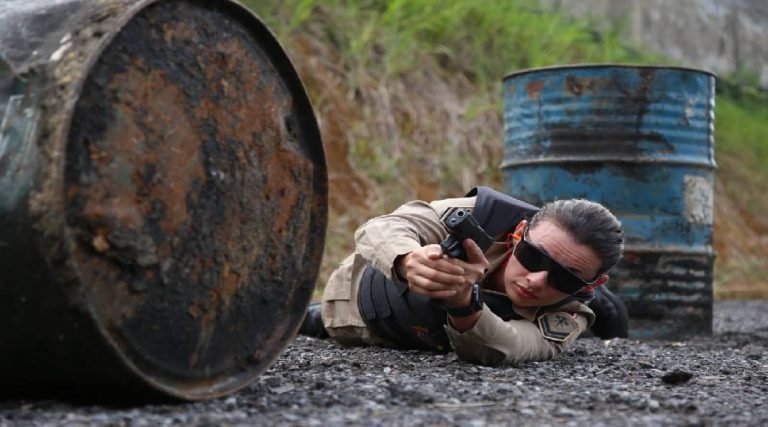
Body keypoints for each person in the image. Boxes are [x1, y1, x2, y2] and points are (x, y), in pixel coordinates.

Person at [299, 186, 627, 366]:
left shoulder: (571, 312)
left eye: (565, 279)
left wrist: (463, 305)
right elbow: (383, 226)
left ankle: (610, 312)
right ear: (518, 234)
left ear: (592, 284)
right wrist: (408, 259)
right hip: (353, 306)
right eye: (534, 257)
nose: (536, 280)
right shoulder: (481, 216)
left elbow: (513, 347)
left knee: (609, 318)